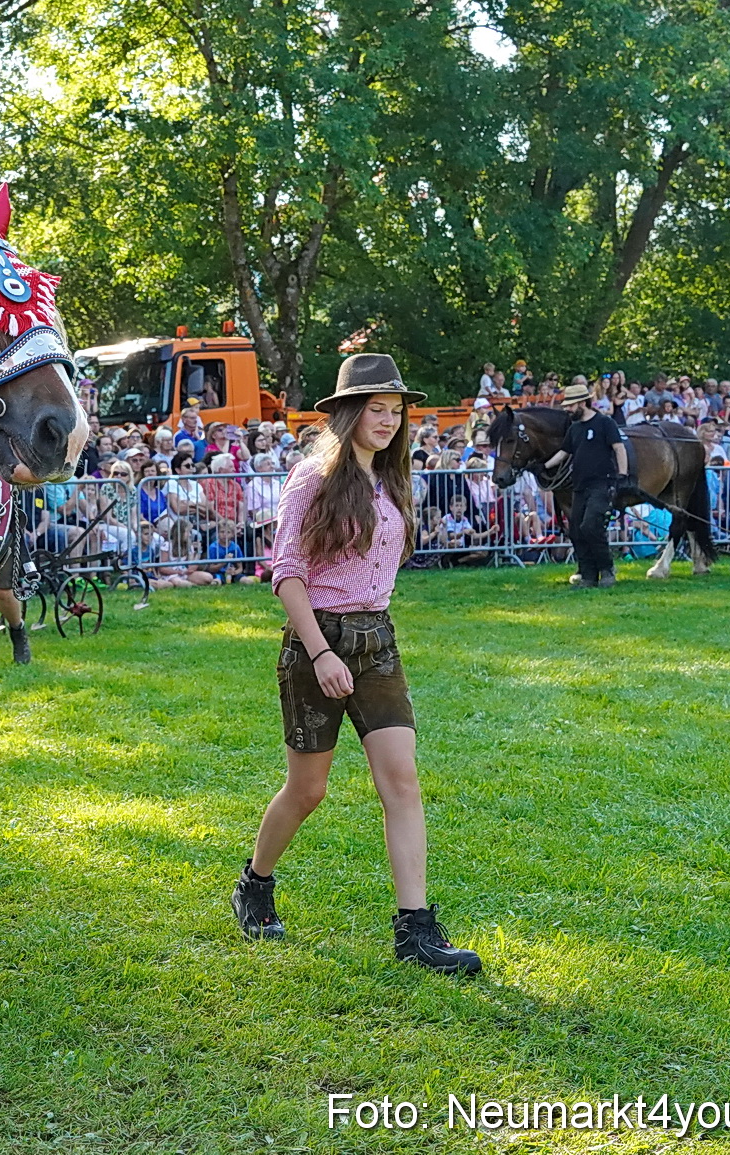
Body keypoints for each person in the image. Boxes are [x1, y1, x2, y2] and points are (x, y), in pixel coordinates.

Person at [229, 353, 482, 975]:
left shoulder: (394, 481)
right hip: (317, 642)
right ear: (348, 413)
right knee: (308, 789)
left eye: (397, 412)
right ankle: (255, 885)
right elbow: (286, 576)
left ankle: (415, 932)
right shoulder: (311, 479)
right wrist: (320, 652)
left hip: (378, 643)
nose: (390, 421)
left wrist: (362, 639)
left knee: (402, 782)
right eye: (377, 409)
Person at [540, 379, 626, 588]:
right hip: (579, 486)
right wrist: (543, 466)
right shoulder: (575, 428)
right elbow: (563, 452)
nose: (568, 409)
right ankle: (588, 575)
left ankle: (606, 570)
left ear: (582, 403)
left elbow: (619, 448)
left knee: (591, 526)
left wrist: (623, 474)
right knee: (577, 529)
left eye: (570, 405)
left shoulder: (605, 423)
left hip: (601, 483)